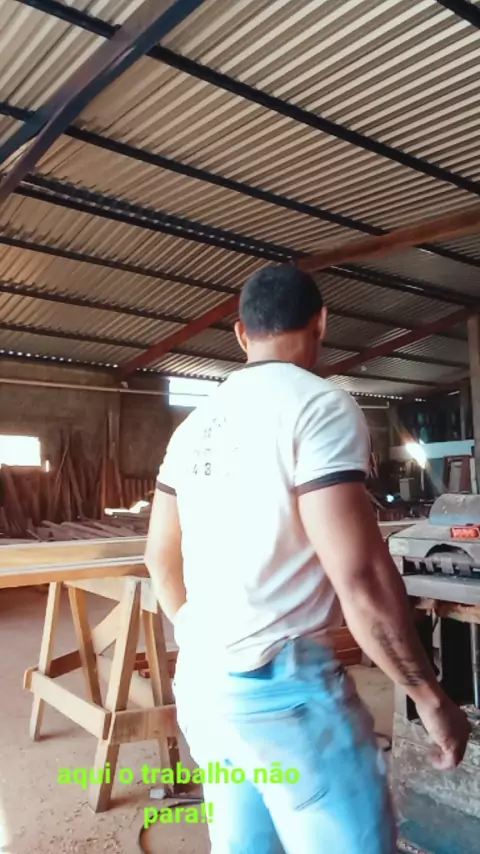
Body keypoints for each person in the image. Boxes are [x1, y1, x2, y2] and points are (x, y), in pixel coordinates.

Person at [145, 265, 470, 854]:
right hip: (287, 699)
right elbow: (360, 580)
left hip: (203, 690)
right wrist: (431, 700)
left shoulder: (194, 425)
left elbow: (159, 558)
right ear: (322, 323)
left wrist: (207, 638)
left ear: (241, 333)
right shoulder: (319, 406)